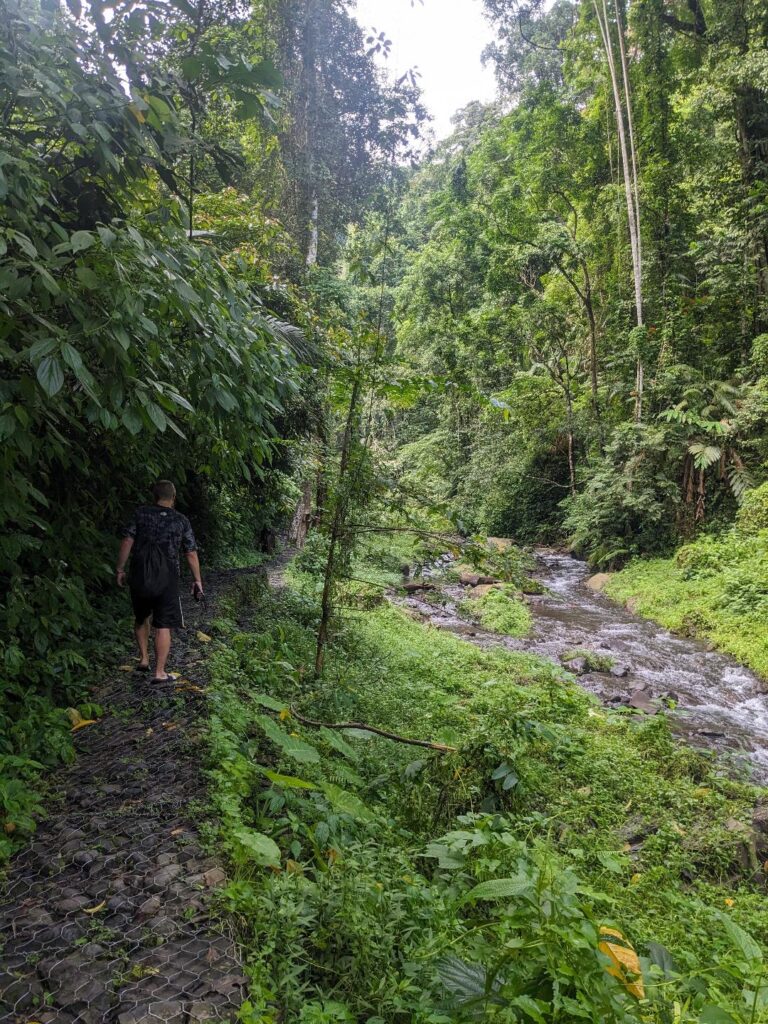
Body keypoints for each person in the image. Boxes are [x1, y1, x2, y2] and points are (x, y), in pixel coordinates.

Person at [116, 480, 204, 683]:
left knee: (141, 617)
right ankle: (160, 672)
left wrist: (120, 568)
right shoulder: (181, 520)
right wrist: (197, 580)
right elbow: (190, 552)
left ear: (154, 496)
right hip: (168, 577)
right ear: (173, 497)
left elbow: (127, 540)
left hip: (140, 573)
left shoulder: (141, 514)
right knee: (163, 624)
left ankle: (144, 659)